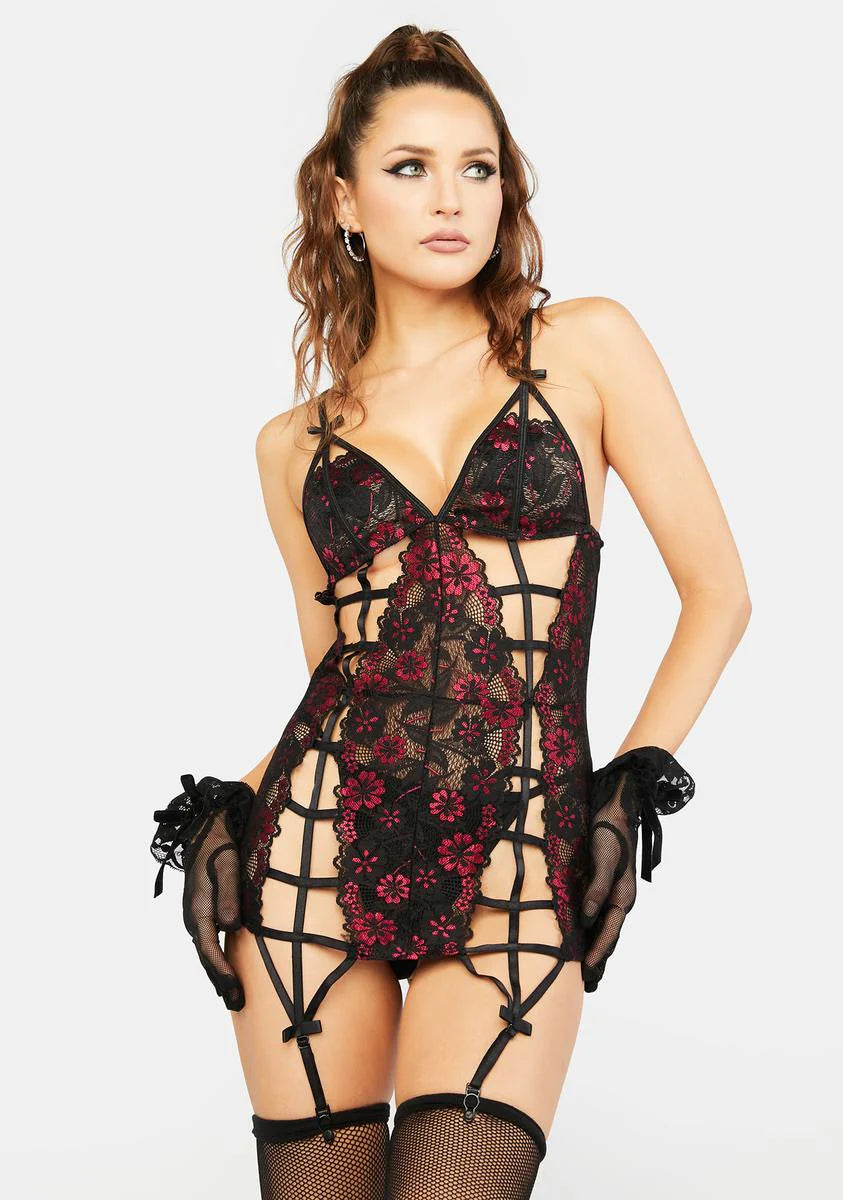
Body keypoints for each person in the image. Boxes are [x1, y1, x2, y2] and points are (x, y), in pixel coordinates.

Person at [150, 24, 751, 1199]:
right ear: (344, 200)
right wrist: (228, 806)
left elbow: (719, 593)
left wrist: (630, 782)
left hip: (522, 847)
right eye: (411, 167)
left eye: (479, 167)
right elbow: (342, 671)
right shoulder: (293, 445)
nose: (451, 198)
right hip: (316, 853)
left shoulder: (583, 347)